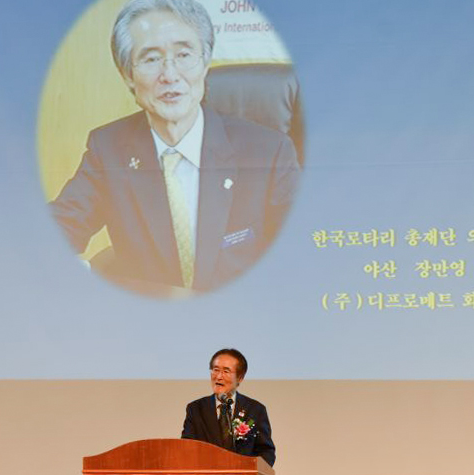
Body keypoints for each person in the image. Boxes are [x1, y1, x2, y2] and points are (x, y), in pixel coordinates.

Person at [50, 0, 300, 295]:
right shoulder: (108, 149)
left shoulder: (269, 153)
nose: (170, 75)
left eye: (183, 55)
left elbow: (300, 258)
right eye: (151, 59)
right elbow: (56, 231)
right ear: (128, 75)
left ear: (205, 63)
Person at [181, 348, 275, 466]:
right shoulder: (196, 409)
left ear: (240, 378)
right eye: (215, 370)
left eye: (226, 371)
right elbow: (186, 448)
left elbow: (266, 452)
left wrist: (250, 470)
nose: (219, 376)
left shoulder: (255, 410)